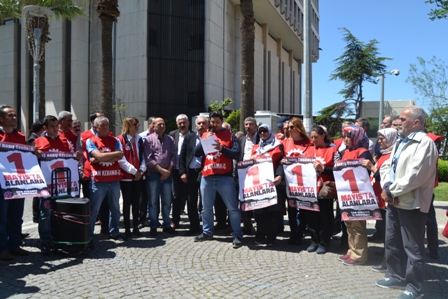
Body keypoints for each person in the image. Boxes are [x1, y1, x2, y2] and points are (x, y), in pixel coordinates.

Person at [376, 106, 438, 299]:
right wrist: (387, 185)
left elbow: (415, 176)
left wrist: (390, 190)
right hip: (394, 200)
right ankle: (395, 275)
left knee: (413, 248)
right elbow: (387, 164)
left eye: (402, 120)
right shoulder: (401, 141)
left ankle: (414, 287)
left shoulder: (425, 144)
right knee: (392, 241)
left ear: (416, 123)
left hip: (412, 203)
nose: (398, 122)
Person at [193, 111, 243, 248]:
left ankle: (237, 234)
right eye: (212, 122)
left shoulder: (230, 135)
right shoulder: (205, 134)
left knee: (232, 208)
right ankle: (207, 232)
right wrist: (204, 140)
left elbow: (237, 154)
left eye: (217, 122)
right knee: (206, 208)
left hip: (225, 177)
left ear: (222, 122)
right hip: (207, 177)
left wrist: (222, 149)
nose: (214, 124)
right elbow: (196, 153)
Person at [362, 128, 399, 272]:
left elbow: (386, 178)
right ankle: (385, 255)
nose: (380, 141)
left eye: (383, 138)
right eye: (379, 138)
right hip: (378, 199)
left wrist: (372, 167)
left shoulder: (392, 156)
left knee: (389, 233)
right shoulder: (382, 154)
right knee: (384, 231)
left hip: (385, 200)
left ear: (390, 139)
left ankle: (387, 262)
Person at [34, 115, 73, 248]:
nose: (55, 129)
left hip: (61, 185)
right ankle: (45, 240)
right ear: (45, 127)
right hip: (45, 185)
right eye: (52, 126)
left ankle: (59, 236)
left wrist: (76, 157)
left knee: (61, 212)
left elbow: (71, 159)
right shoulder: (38, 142)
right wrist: (35, 154)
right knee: (45, 213)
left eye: (57, 126)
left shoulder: (64, 141)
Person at [337, 125, 373, 266]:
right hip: (346, 193)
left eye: (349, 136)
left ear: (357, 137)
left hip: (358, 194)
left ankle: (360, 255)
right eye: (344, 136)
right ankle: (352, 251)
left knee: (358, 226)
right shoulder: (346, 151)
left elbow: (365, 174)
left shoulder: (363, 152)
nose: (345, 139)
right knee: (349, 224)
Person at [86, 116, 125, 245]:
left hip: (114, 179)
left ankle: (114, 232)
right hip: (98, 180)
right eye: (102, 125)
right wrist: (104, 157)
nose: (105, 127)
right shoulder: (90, 141)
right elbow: (97, 156)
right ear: (95, 127)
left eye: (106, 125)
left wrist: (101, 158)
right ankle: (89, 235)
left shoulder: (115, 140)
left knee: (115, 208)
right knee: (94, 210)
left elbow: (120, 155)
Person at [0, 106, 29, 261]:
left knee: (17, 216)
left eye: (15, 115)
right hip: (2, 183)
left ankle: (15, 245)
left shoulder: (20, 136)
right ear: (1, 119)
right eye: (10, 115)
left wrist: (33, 152)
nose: (14, 118)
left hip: (18, 182)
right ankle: (2, 248)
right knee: (2, 218)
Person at [306, 125, 339, 254]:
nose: (313, 139)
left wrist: (324, 169)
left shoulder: (333, 150)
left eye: (315, 137)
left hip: (325, 188)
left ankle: (324, 243)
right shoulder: (309, 150)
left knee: (325, 217)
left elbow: (338, 170)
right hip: (310, 188)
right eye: (311, 137)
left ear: (323, 136)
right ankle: (314, 240)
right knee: (312, 217)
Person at [282, 117, 313, 245]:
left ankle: (300, 233)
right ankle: (293, 232)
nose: (289, 130)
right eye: (288, 127)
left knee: (303, 209)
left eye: (291, 127)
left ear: (299, 128)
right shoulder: (285, 143)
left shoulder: (309, 143)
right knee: (291, 208)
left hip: (304, 182)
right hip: (290, 182)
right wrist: (282, 160)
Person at [250, 124, 283, 246]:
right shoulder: (255, 148)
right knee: (259, 211)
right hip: (259, 183)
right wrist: (251, 159)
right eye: (260, 132)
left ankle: (271, 238)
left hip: (273, 182)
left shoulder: (278, 146)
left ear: (270, 132)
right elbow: (250, 165)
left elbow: (281, 162)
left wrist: (279, 176)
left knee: (272, 212)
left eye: (265, 131)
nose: (262, 133)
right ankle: (260, 235)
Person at [143, 117, 177, 237]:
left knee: (167, 201)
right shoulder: (148, 140)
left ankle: (166, 224)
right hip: (153, 175)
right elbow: (148, 158)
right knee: (153, 202)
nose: (162, 126)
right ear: (153, 125)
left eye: (163, 124)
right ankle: (153, 225)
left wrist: (167, 171)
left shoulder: (170, 139)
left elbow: (174, 156)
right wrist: (161, 170)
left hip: (168, 175)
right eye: (159, 124)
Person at [179, 116, 209, 235]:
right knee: (191, 201)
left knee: (205, 201)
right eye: (199, 123)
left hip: (206, 172)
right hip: (191, 173)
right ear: (195, 125)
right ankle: (194, 227)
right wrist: (182, 172)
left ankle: (207, 227)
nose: (201, 125)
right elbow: (182, 156)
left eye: (203, 123)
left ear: (207, 125)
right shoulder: (189, 137)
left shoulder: (211, 137)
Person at [118, 117, 146, 238]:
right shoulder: (120, 140)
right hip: (126, 177)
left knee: (136, 202)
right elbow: (121, 160)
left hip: (139, 176)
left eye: (138, 124)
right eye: (135, 124)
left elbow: (144, 156)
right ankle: (127, 228)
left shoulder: (140, 139)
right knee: (127, 202)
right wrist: (134, 171)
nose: (137, 127)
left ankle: (135, 226)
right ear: (128, 125)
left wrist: (141, 170)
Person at [237, 117, 260, 234]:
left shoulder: (261, 139)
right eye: (246, 124)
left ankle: (260, 227)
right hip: (243, 175)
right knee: (244, 200)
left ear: (256, 126)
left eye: (250, 124)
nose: (248, 127)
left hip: (258, 173)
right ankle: (247, 226)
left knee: (257, 199)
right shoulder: (241, 140)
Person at [169, 114, 190, 229]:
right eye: (180, 123)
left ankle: (193, 222)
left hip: (190, 171)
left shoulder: (193, 135)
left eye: (184, 122)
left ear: (188, 123)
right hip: (175, 171)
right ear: (177, 124)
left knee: (190, 197)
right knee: (175, 196)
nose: (182, 125)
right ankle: (175, 221)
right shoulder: (172, 135)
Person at [138, 116, 156, 228]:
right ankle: (142, 218)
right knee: (143, 197)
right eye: (154, 124)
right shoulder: (141, 137)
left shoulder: (161, 137)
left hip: (154, 171)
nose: (156, 126)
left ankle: (153, 218)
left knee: (153, 197)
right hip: (143, 171)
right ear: (149, 124)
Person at [27, 120, 44, 224]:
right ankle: (36, 215)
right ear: (41, 129)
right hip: (36, 169)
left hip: (39, 168)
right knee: (37, 194)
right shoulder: (33, 139)